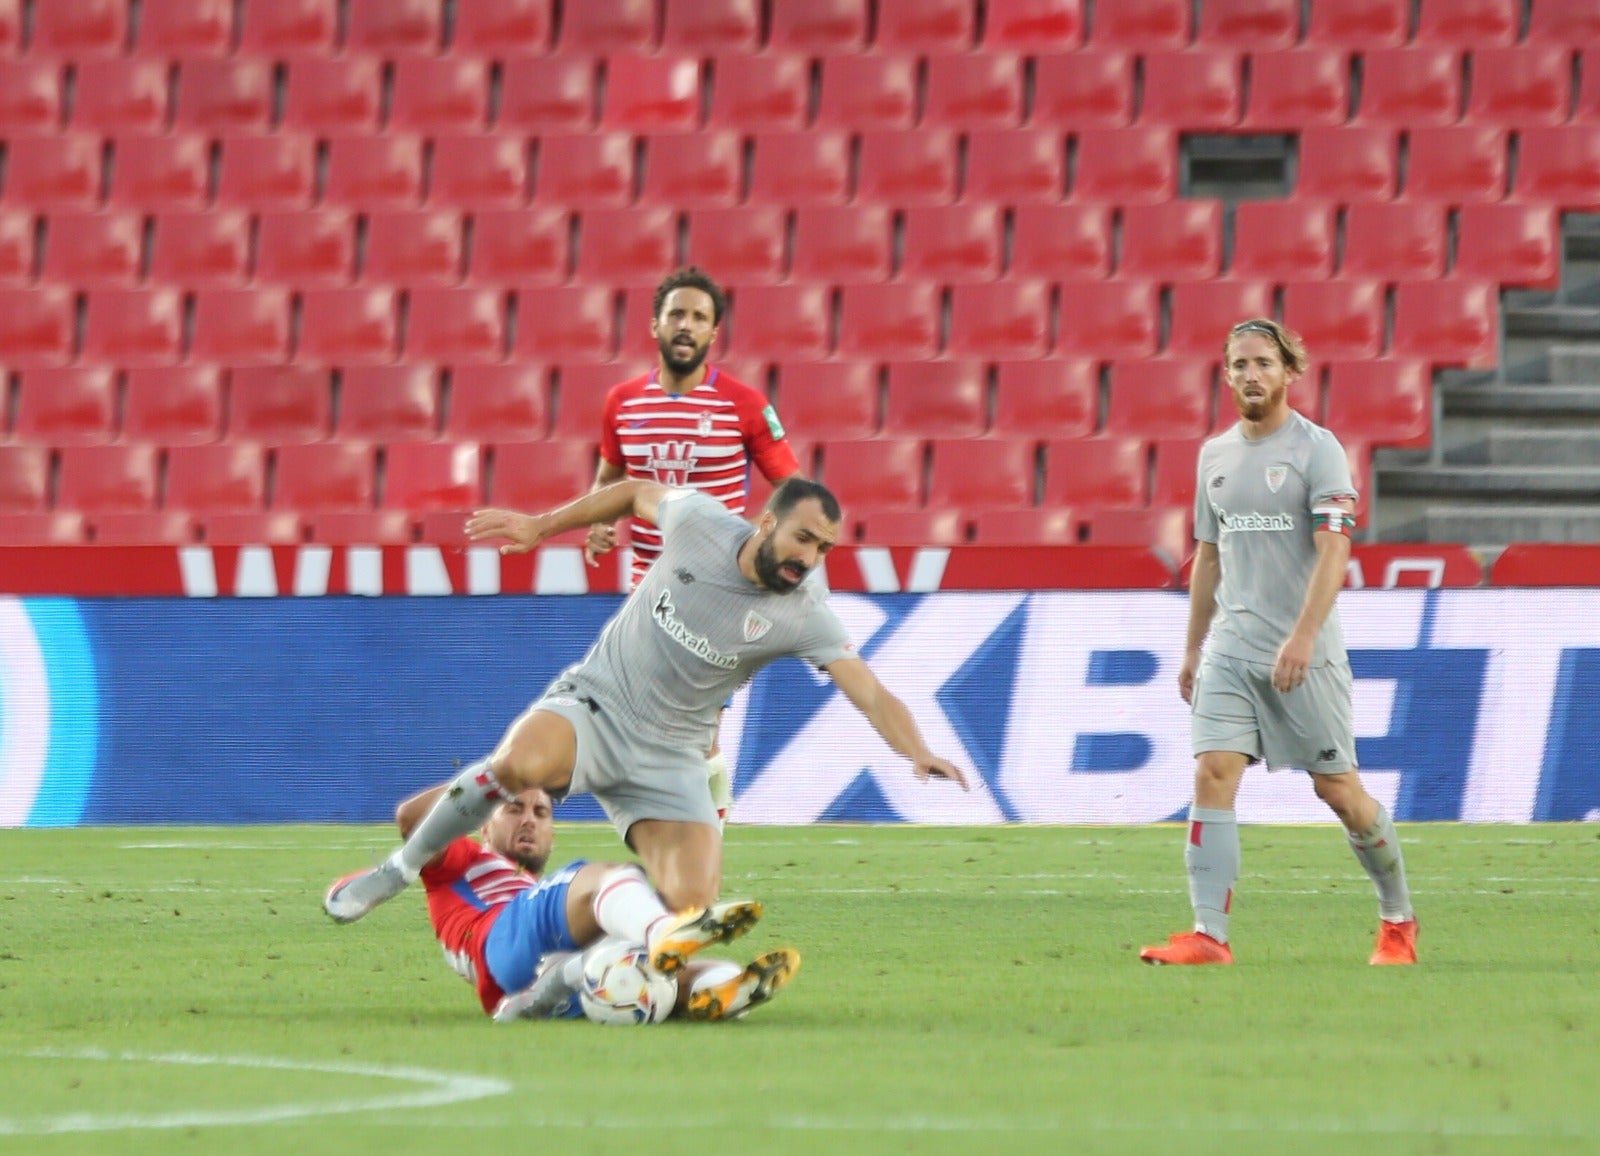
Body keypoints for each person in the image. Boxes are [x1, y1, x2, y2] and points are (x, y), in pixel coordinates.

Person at [325, 476, 968, 971]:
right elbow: (633, 493)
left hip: (671, 759)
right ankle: (399, 869)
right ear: (767, 521)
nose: (811, 558)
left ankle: (580, 975)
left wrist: (917, 749)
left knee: (689, 907)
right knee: (518, 765)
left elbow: (872, 692)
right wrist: (541, 526)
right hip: (598, 707)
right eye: (804, 539)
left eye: (825, 548)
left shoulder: (806, 613)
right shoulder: (698, 522)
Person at [1140, 318, 1419, 967]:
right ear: (1227, 373)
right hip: (1232, 651)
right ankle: (1209, 935)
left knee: (1340, 793)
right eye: (1239, 364)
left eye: (1263, 362)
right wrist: (1190, 649)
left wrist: (1302, 635)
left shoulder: (1318, 450)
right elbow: (1209, 557)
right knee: (1213, 771)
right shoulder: (1215, 456)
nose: (1251, 375)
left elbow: (1335, 550)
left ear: (1289, 371)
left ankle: (1398, 919)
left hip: (1305, 656)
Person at [583, 267, 803, 824]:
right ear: (655, 324)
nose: (686, 325)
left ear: (713, 334)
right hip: (644, 593)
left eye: (699, 317)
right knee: (650, 732)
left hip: (714, 592)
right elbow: (609, 480)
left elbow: (793, 489)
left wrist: (761, 540)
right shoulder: (623, 403)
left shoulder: (744, 405)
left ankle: (700, 857)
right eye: (677, 314)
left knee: (692, 730)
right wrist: (597, 523)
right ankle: (690, 848)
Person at [378, 777, 799, 1022]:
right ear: (483, 827)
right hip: (499, 940)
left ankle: (720, 992)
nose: (529, 819)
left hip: (549, 989)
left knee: (667, 974)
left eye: (541, 814)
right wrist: (492, 779)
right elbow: (411, 820)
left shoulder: (536, 894)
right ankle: (662, 932)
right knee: (604, 878)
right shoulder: (462, 858)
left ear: (552, 834)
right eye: (513, 809)